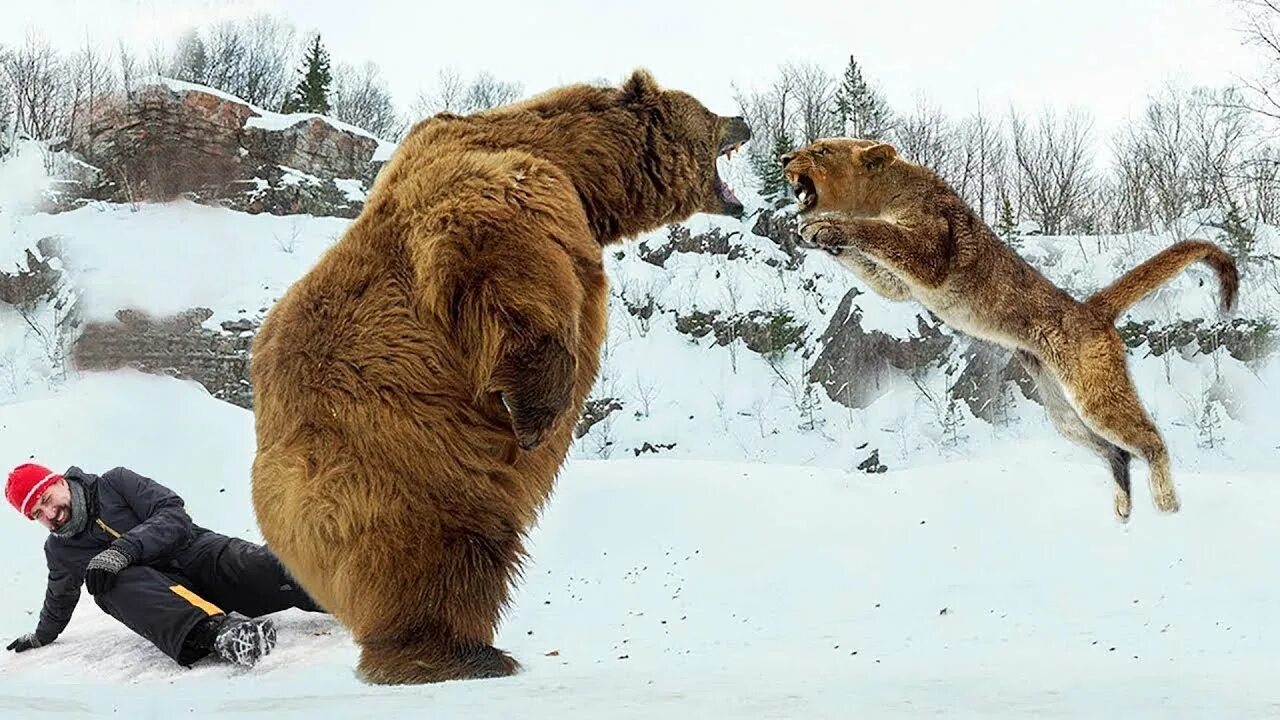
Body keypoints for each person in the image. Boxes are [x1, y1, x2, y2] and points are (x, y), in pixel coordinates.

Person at [3, 462, 324, 667]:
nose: (49, 515)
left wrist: (125, 549)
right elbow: (59, 595)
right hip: (170, 606)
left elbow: (173, 514)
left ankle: (358, 594)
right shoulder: (60, 551)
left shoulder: (115, 483)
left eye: (45, 500)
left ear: (59, 482)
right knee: (105, 583)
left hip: (201, 556)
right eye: (37, 515)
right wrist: (42, 636)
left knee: (275, 571)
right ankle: (219, 635)